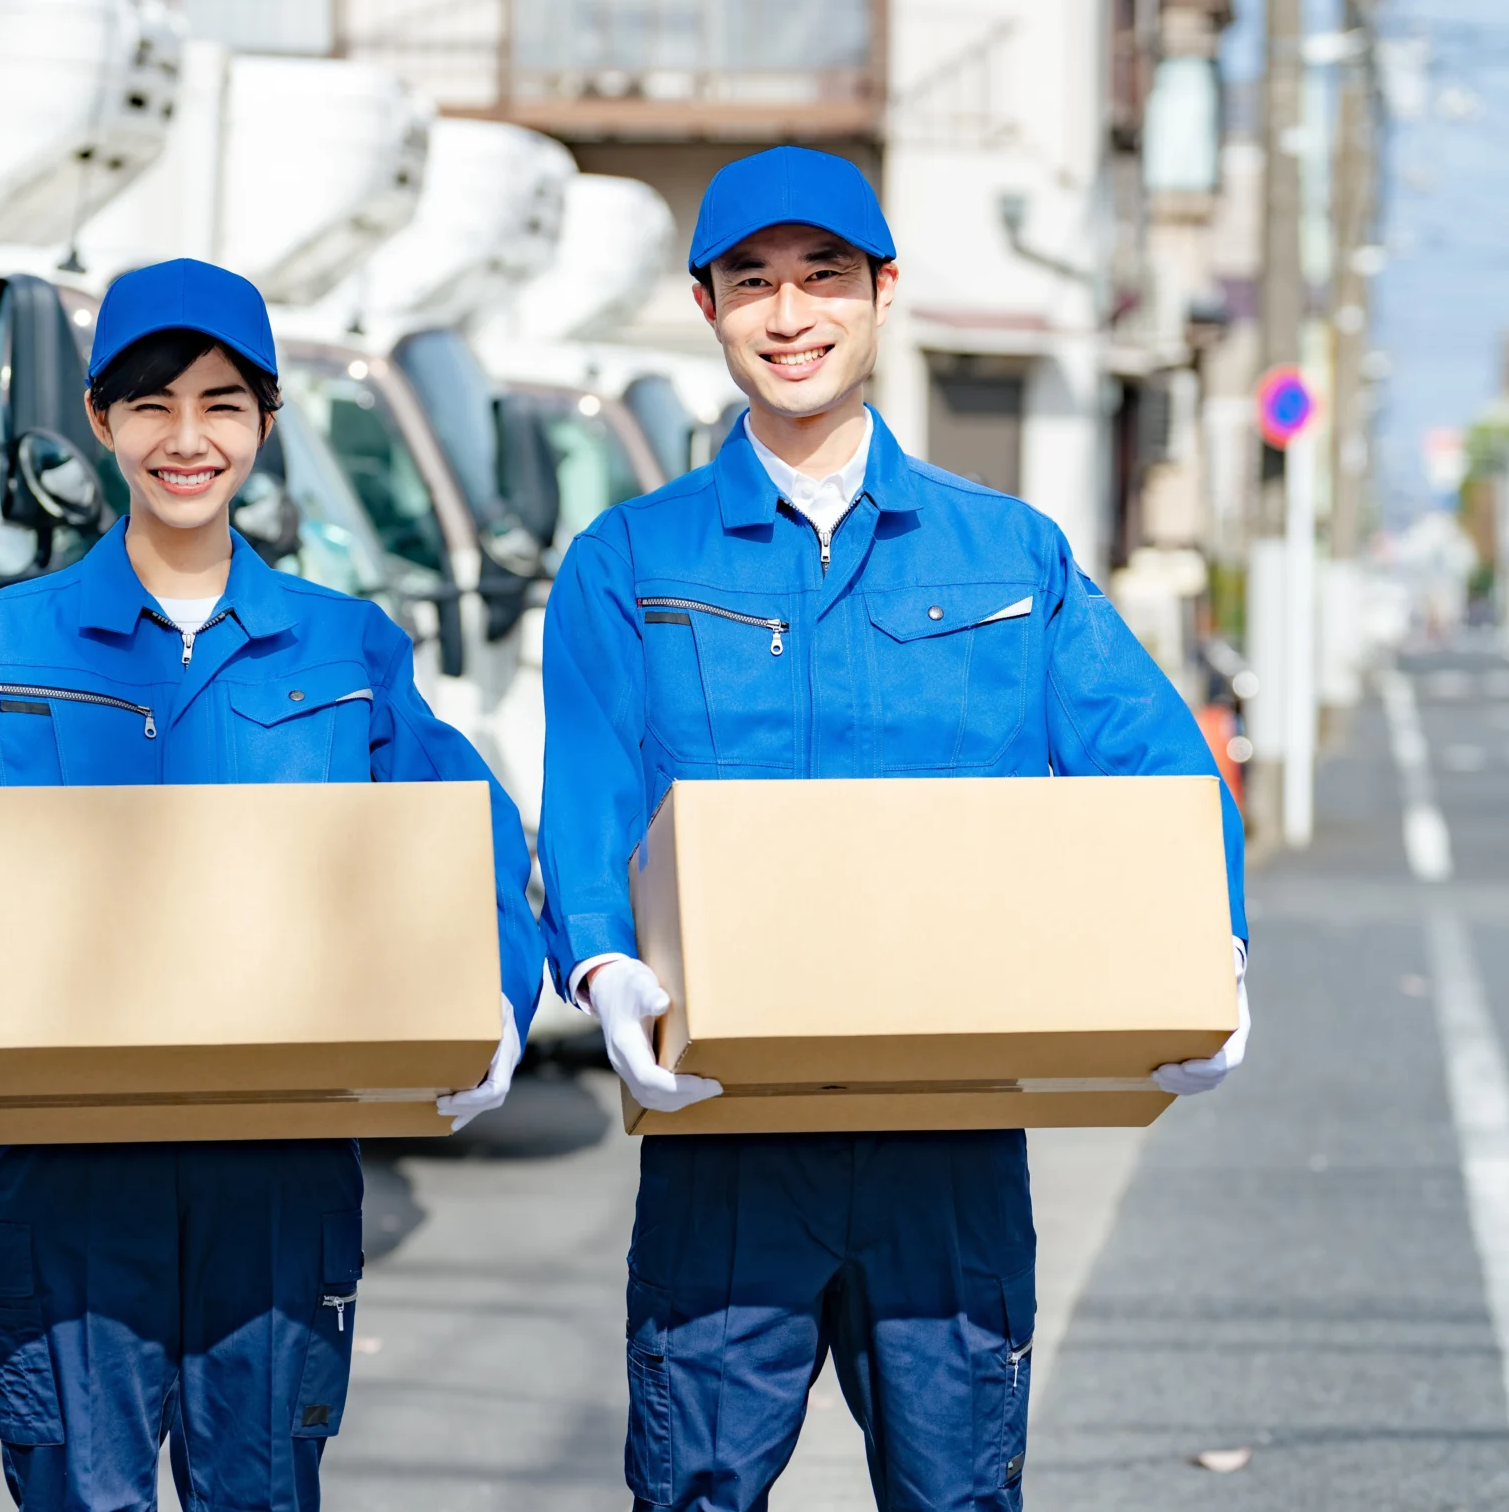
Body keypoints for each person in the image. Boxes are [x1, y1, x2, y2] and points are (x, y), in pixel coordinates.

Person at [536, 147, 1251, 1512]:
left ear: (882, 294)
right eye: (753, 282)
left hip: (953, 1134)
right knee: (693, 1492)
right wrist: (600, 961)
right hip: (724, 1138)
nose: (789, 314)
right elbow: (592, 794)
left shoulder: (1008, 554)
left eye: (823, 278)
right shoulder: (631, 562)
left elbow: (1153, 766)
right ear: (706, 305)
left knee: (958, 1493)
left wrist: (1210, 950)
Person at [0, 258, 539, 1512]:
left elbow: (470, 843)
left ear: (264, 421)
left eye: (219, 403)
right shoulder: (3, 646)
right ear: (100, 422)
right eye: (149, 404)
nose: (184, 439)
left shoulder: (346, 648)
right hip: (68, 1168)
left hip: (282, 1169)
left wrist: (499, 998)